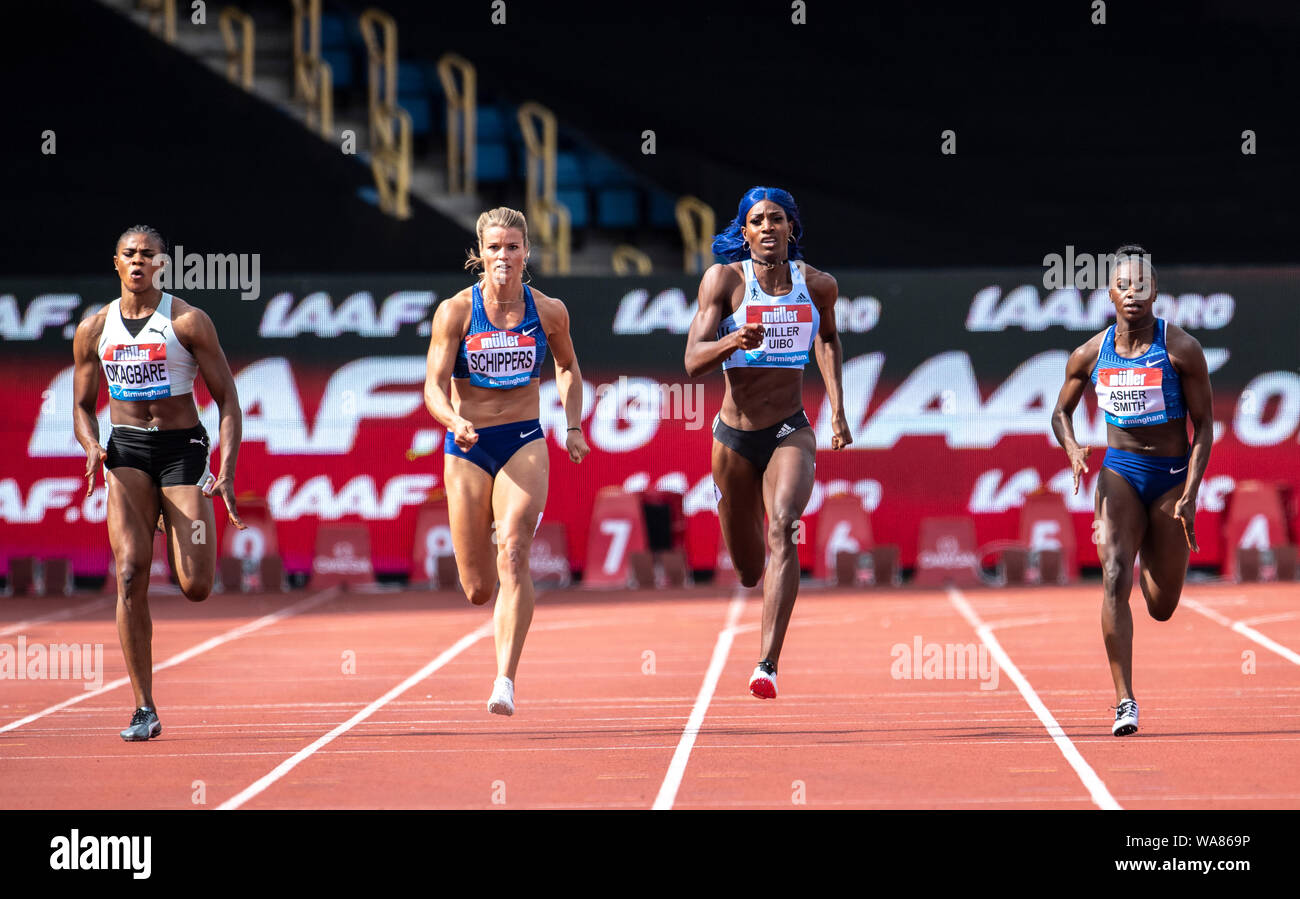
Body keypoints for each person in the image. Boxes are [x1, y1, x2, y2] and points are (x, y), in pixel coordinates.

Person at [73, 225, 245, 741]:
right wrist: (90, 445)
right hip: (125, 451)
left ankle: (175, 520)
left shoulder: (188, 322)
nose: (139, 261)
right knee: (129, 573)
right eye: (130, 255)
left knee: (195, 586)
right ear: (116, 263)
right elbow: (82, 406)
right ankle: (143, 707)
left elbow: (228, 400)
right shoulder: (93, 328)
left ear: (164, 264)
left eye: (149, 255)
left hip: (182, 452)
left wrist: (228, 470)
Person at [684, 186, 851, 699]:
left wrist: (838, 411)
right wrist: (735, 339)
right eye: (757, 221)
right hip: (733, 437)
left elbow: (827, 338)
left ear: (791, 228)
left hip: (789, 429)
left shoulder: (818, 285)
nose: (767, 228)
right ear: (745, 231)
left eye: (776, 219)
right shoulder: (725, 281)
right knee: (749, 570)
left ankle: (767, 665)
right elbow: (691, 360)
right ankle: (729, 506)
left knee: (783, 525)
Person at [423, 207, 589, 716]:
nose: (504, 256)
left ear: (526, 253)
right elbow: (432, 386)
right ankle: (490, 587)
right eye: (494, 247)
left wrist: (574, 426)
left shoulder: (549, 311)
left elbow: (567, 368)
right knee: (477, 588)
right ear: (480, 253)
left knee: (515, 550)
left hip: (523, 438)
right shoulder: (455, 312)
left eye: (512, 246)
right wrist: (453, 420)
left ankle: (504, 681)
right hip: (468, 445)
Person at [1051, 244, 1213, 736]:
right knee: (1114, 572)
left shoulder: (1181, 348)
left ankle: (1153, 553)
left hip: (1169, 480)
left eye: (1141, 286)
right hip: (1120, 472)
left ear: (1156, 292)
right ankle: (1125, 701)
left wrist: (1189, 491)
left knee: (1162, 607)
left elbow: (1204, 426)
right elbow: (1060, 412)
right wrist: (1073, 447)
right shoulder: (1090, 352)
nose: (1133, 294)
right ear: (1110, 294)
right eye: (1123, 286)